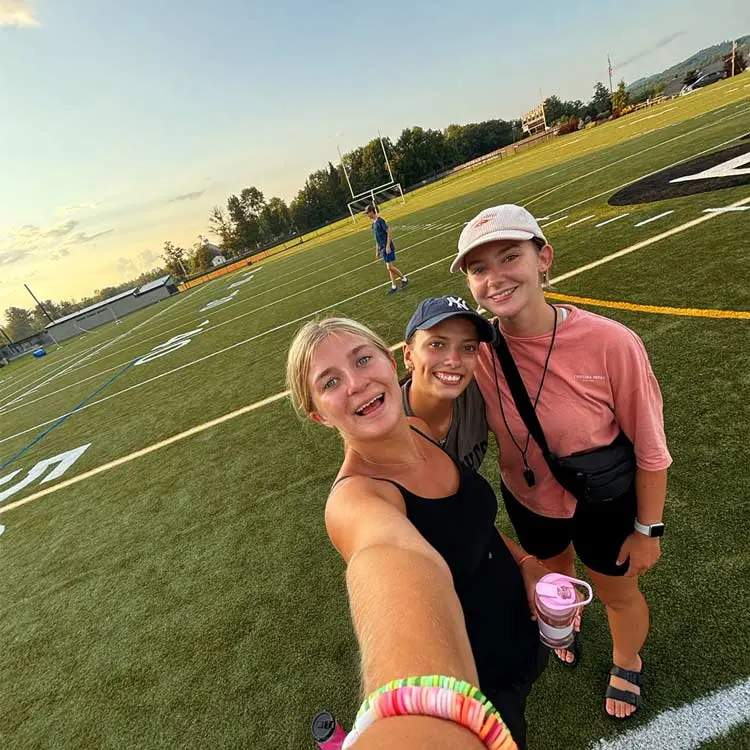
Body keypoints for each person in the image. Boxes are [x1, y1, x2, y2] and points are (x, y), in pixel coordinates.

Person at [452, 204, 672, 719]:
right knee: (555, 575)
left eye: (510, 257)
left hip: (605, 500)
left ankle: (626, 658)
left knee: (618, 595)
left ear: (543, 258)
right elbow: (428, 386)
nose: (495, 279)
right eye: (479, 269)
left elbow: (651, 448)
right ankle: (564, 617)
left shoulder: (611, 342)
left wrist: (648, 529)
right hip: (529, 497)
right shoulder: (477, 351)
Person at [286, 318, 549, 749]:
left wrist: (526, 562)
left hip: (523, 631)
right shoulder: (355, 502)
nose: (355, 383)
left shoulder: (418, 429)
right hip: (480, 687)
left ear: (391, 364)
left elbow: (470, 525)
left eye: (363, 359)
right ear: (318, 415)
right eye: (330, 381)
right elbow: (388, 558)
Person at [401, 295, 493, 472]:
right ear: (408, 355)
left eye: (468, 347)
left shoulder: (479, 393)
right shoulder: (383, 423)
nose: (454, 360)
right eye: (437, 344)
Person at [365, 204, 408, 294]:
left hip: (387, 248)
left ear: (372, 212)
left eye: (367, 213)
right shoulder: (373, 224)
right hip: (382, 249)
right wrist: (377, 250)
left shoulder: (380, 221)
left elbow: (389, 232)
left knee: (390, 267)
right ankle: (394, 286)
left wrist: (388, 245)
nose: (367, 215)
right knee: (389, 268)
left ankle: (404, 278)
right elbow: (377, 238)